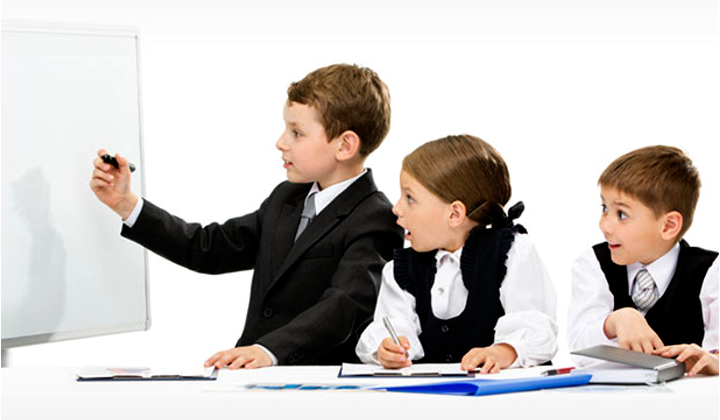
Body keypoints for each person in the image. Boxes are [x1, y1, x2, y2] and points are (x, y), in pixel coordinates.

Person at [90, 63, 404, 369]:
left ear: (345, 145)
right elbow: (207, 248)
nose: (280, 142)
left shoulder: (375, 219)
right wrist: (127, 204)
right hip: (253, 374)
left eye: (297, 133)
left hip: (317, 381)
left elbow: (344, 306)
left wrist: (269, 350)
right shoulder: (286, 198)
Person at [355, 135, 557, 373]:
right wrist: (389, 348)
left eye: (410, 198)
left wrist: (502, 352)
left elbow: (535, 327)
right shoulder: (401, 271)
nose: (396, 208)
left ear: (454, 214)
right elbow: (393, 325)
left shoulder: (511, 254)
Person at [567, 146, 718, 374]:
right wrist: (615, 322)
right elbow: (581, 351)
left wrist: (713, 360)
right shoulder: (593, 264)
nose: (604, 225)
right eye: (605, 208)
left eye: (622, 214)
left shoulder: (711, 271)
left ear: (668, 226)